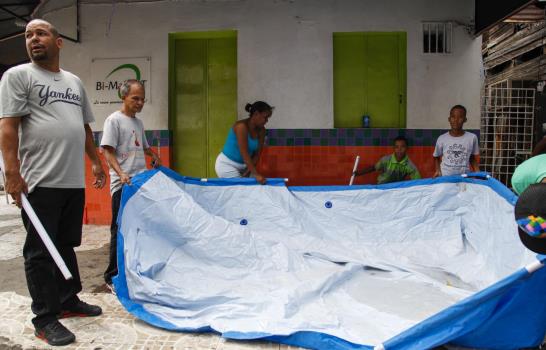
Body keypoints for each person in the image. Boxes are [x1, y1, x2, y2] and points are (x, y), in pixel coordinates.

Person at [0, 19, 106, 346]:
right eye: (29, 35)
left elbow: (83, 128)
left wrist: (96, 161)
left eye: (41, 33)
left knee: (65, 244)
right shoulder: (18, 76)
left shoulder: (74, 82)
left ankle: (67, 300)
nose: (34, 39)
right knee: (39, 252)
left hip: (71, 181)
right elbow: (8, 127)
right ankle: (45, 318)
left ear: (58, 42)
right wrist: (12, 174)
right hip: (39, 183)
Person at [100, 79, 160, 290]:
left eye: (142, 99)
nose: (140, 103)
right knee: (119, 229)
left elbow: (143, 147)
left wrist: (153, 155)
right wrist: (121, 173)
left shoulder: (138, 123)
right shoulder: (113, 121)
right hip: (122, 185)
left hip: (138, 184)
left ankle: (131, 268)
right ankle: (111, 276)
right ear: (123, 97)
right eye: (135, 98)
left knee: (137, 228)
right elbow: (107, 150)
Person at [215, 101, 273, 184]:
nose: (266, 121)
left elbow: (257, 154)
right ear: (256, 114)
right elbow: (244, 153)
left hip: (245, 166)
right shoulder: (241, 126)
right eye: (265, 117)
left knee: (255, 188)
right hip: (227, 165)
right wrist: (256, 174)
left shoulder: (262, 131)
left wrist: (248, 172)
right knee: (241, 190)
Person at [433, 105, 480, 177]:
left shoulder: (472, 138)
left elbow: (471, 157)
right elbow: (436, 156)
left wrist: (478, 173)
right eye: (453, 117)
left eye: (460, 117)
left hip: (464, 178)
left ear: (465, 119)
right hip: (446, 177)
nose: (456, 120)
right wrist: (438, 170)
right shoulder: (442, 138)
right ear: (449, 119)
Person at [354, 136, 421, 184]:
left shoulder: (409, 165)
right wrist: (359, 173)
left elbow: (418, 182)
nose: (399, 149)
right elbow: (373, 168)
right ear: (394, 148)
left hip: (396, 189)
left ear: (407, 148)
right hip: (382, 186)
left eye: (402, 147)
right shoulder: (386, 160)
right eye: (397, 147)